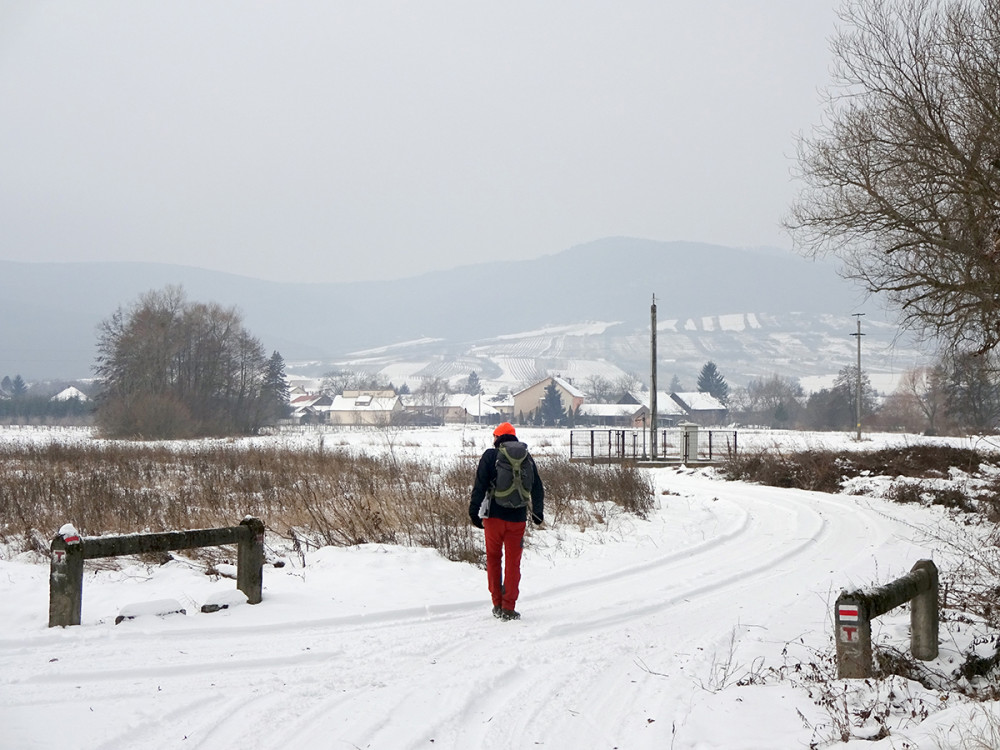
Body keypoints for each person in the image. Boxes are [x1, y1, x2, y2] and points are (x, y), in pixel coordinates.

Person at [469, 422, 544, 621]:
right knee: (513, 563)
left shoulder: (490, 456)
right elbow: (537, 487)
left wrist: (473, 511)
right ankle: (509, 607)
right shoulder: (526, 456)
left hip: (493, 518)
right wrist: (538, 513)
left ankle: (497, 604)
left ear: (498, 437)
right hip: (517, 519)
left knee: (493, 559)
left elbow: (480, 485)